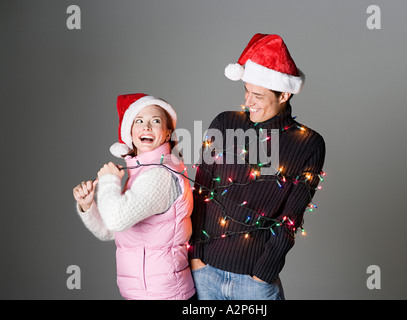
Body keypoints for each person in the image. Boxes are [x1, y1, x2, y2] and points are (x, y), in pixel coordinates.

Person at [189, 33, 326, 300]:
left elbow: (291, 219)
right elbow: (200, 192)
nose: (248, 101)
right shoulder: (225, 124)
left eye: (258, 95)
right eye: (246, 91)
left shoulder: (308, 143)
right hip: (205, 273)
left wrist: (262, 274)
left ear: (284, 94)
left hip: (253, 283)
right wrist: (195, 256)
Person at [73, 93, 195, 300]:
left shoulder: (159, 175)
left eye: (155, 121)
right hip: (144, 294)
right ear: (130, 132)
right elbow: (110, 230)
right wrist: (88, 206)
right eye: (139, 121)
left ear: (167, 134)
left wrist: (109, 180)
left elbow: (116, 219)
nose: (146, 127)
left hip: (164, 295)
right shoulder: (141, 173)